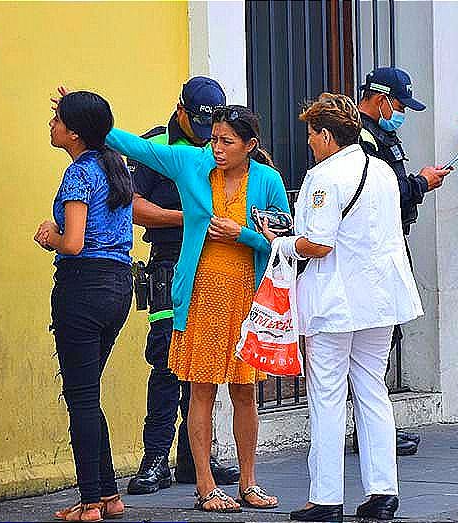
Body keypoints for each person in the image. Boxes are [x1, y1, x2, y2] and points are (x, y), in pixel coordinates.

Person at [105, 105, 288, 513]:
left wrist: (242, 234)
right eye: (214, 140)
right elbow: (134, 146)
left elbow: (284, 241)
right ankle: (205, 487)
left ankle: (249, 483)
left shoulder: (268, 180)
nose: (217, 149)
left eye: (227, 142)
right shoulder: (191, 163)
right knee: (200, 389)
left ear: (249, 146)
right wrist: (90, 118)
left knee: (245, 391)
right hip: (201, 295)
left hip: (247, 297)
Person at [270, 93, 423, 522]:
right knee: (373, 391)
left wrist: (278, 241)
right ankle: (383, 492)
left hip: (336, 302)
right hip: (381, 299)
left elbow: (318, 244)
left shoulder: (324, 176)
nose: (309, 143)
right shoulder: (383, 171)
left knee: (328, 396)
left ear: (326, 135)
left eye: (311, 135)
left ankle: (325, 497)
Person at [126, 77, 239, 495]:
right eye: (201, 123)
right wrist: (187, 218)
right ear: (181, 111)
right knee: (166, 359)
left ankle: (195, 458)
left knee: (202, 365)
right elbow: (134, 206)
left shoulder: (223, 148)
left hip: (213, 264)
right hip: (170, 263)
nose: (210, 135)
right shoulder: (157, 146)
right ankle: (155, 459)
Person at [35, 91, 133, 522]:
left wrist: (48, 235)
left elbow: (72, 243)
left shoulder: (78, 174)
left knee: (81, 398)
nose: (52, 125)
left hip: (82, 287)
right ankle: (109, 495)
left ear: (74, 133)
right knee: (88, 394)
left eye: (57, 119)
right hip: (118, 287)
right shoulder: (113, 168)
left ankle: (89, 500)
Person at [356, 66, 452, 456]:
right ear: (381, 100)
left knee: (384, 338)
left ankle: (375, 428)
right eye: (400, 105)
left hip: (391, 241)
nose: (403, 114)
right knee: (372, 343)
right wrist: (421, 183)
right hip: (374, 247)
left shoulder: (381, 134)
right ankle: (372, 431)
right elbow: (379, 192)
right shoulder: (361, 137)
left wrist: (415, 183)